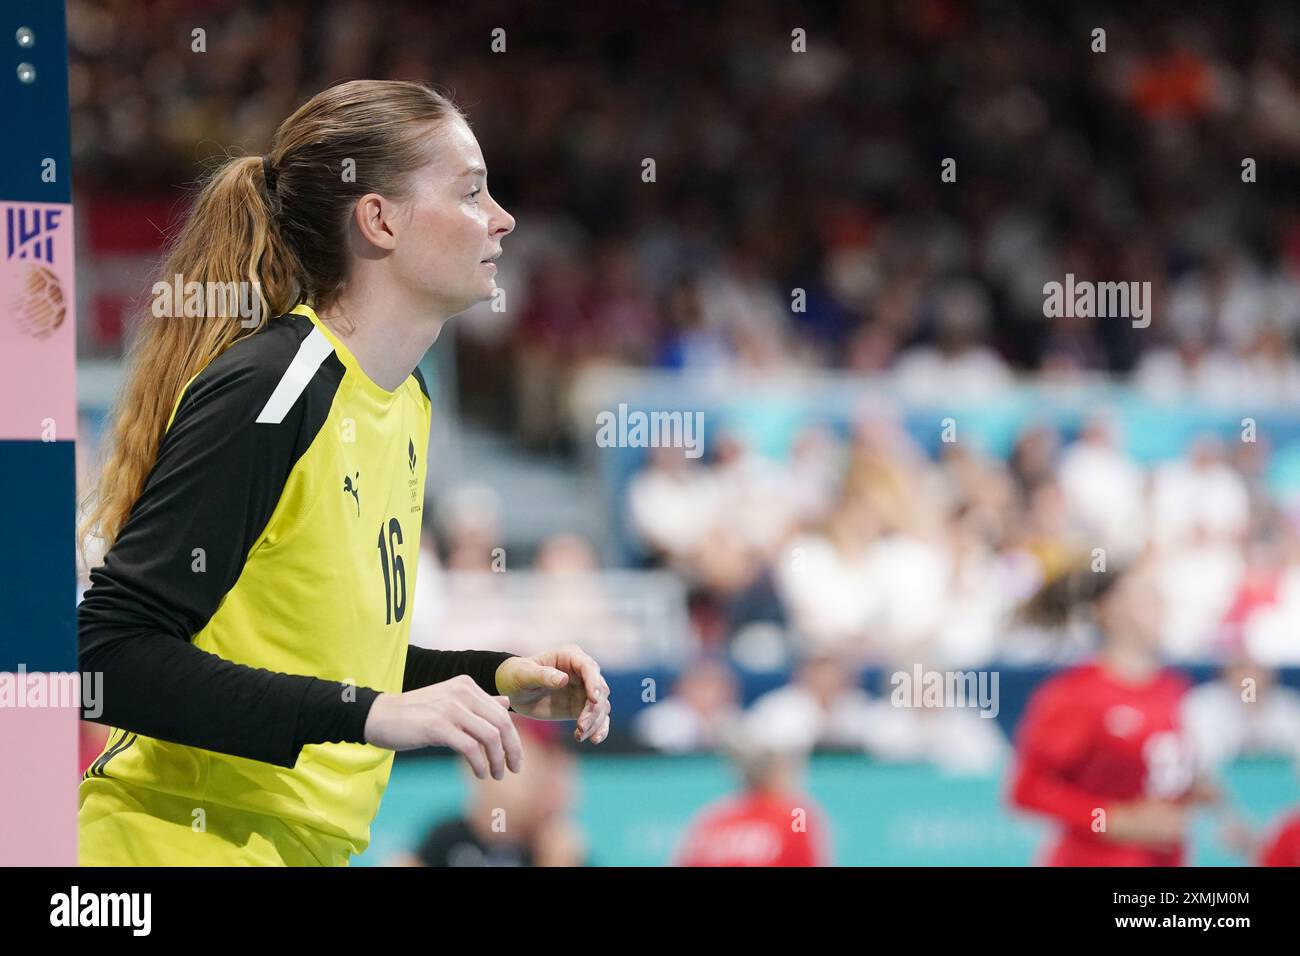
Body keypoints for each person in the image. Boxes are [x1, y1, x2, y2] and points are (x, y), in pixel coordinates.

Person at [76, 79, 611, 866]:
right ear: (380, 219)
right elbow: (109, 655)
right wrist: (369, 715)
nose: (503, 218)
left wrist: (497, 676)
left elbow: (334, 659)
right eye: (471, 192)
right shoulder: (276, 387)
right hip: (169, 843)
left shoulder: (408, 401)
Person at [1008, 558, 1212, 866]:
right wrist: (1112, 819)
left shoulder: (1172, 687)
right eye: (1146, 596)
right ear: (1109, 609)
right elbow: (1028, 788)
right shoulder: (1077, 694)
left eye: (1159, 595)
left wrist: (1193, 792)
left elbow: (1153, 772)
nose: (1160, 605)